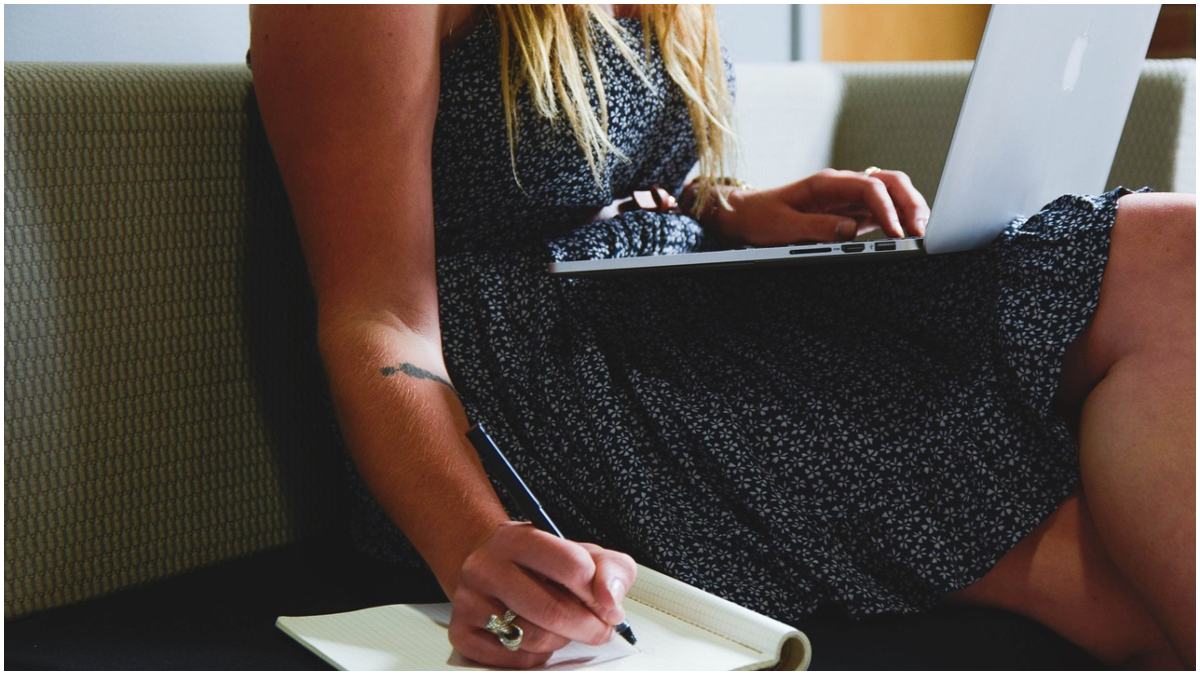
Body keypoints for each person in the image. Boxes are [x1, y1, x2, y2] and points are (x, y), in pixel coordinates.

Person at [247, 5, 1195, 669]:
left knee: (1175, 248)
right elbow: (378, 314)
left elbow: (594, 179)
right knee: (1116, 587)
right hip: (537, 396)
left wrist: (730, 213)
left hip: (669, 314)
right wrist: (475, 544)